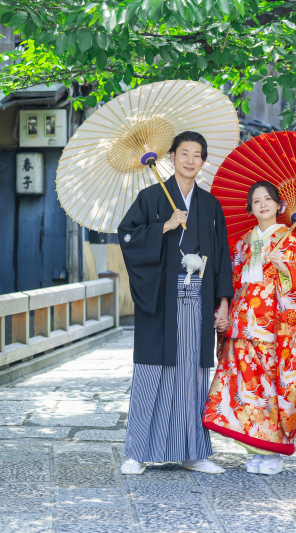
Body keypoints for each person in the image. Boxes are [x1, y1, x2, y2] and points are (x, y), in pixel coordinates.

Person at [117, 131, 234, 475]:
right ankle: (136, 452)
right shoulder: (151, 196)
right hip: (161, 301)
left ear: (203, 161)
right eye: (184, 153)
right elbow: (127, 235)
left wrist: (223, 303)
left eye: (198, 155)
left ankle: (193, 452)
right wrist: (164, 226)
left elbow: (222, 257)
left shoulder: (210, 205)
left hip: (197, 302)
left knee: (192, 376)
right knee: (151, 373)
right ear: (171, 156)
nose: (190, 160)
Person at [202, 181, 296, 475]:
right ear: (250, 208)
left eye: (268, 199)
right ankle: (256, 448)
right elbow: (231, 281)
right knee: (245, 390)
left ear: (280, 206)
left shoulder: (292, 241)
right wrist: (224, 308)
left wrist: (285, 269)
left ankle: (274, 453)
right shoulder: (243, 243)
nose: (262, 204)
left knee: (268, 390)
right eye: (256, 201)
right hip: (242, 324)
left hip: (272, 328)